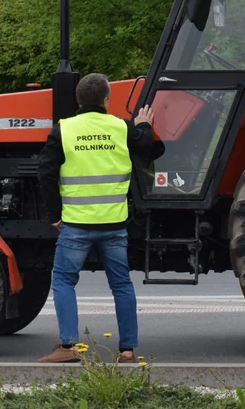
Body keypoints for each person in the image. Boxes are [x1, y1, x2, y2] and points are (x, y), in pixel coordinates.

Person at [36, 73, 156, 364]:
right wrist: (144, 126)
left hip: (76, 224)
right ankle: (127, 351)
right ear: (106, 100)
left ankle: (67, 347)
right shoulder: (121, 127)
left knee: (64, 280)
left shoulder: (63, 130)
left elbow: (46, 174)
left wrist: (55, 214)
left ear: (78, 100)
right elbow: (148, 149)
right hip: (114, 225)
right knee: (121, 285)